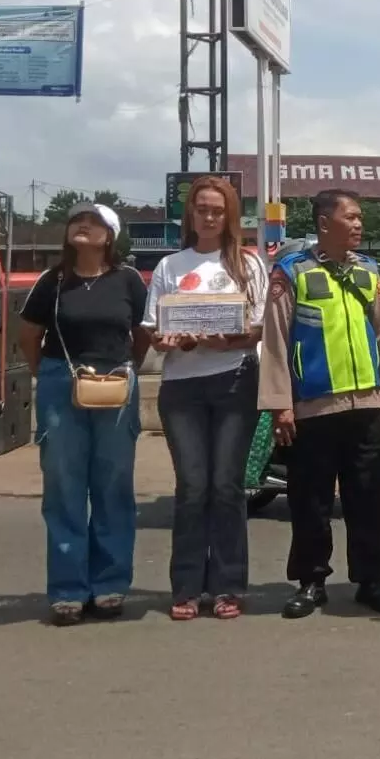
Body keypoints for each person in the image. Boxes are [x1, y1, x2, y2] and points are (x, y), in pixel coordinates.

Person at [258, 189, 380, 618]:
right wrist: (280, 404)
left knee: (369, 499)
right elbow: (276, 341)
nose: (359, 225)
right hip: (314, 408)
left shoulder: (370, 273)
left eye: (361, 218)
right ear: (325, 223)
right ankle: (311, 580)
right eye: (352, 218)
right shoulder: (292, 272)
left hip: (367, 406)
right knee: (311, 499)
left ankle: (371, 579)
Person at [19, 202, 149, 626]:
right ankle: (68, 589)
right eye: (77, 221)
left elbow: (141, 335)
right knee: (64, 484)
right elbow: (29, 335)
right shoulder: (52, 280)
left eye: (92, 222)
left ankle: (109, 584)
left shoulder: (127, 279)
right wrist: (50, 374)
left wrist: (126, 367)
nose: (83, 226)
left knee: (113, 484)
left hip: (116, 381)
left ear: (109, 236)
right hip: (62, 383)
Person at [144, 177, 266, 621]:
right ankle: (187, 587)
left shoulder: (248, 265)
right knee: (193, 487)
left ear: (229, 215)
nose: (209, 217)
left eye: (217, 210)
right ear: (190, 214)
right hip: (182, 390)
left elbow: (256, 330)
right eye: (202, 209)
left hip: (234, 381)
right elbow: (154, 335)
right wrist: (172, 339)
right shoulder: (169, 267)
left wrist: (228, 340)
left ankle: (229, 585)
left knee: (226, 486)